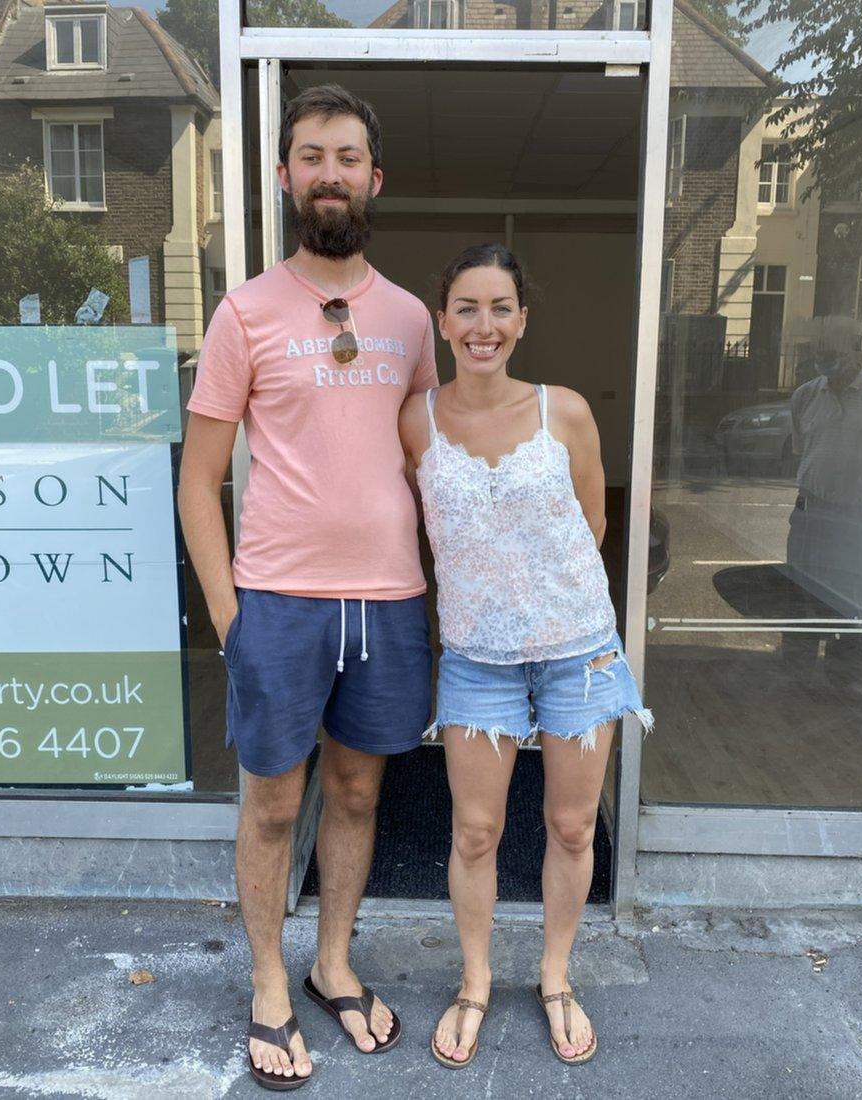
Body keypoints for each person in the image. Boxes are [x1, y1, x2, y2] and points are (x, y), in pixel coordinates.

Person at [178, 84, 437, 1090]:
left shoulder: (413, 320)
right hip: (276, 603)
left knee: (360, 788)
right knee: (274, 806)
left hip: (388, 601)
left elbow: (429, 469)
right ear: (284, 176)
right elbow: (199, 480)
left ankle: (330, 960)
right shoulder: (243, 311)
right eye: (310, 155)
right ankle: (265, 982)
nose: (329, 173)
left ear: (375, 178)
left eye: (347, 156)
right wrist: (231, 615)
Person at [398, 244, 652, 1069]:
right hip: (476, 657)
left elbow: (593, 525)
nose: (483, 325)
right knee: (475, 832)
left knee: (573, 825)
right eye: (466, 308)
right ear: (442, 321)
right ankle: (475, 981)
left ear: (522, 320)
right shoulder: (417, 420)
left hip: (579, 652)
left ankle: (553, 976)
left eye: (499, 307)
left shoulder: (564, 411)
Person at [784, 316, 862, 687]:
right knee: (800, 595)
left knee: (852, 598)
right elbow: (804, 450)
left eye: (833, 351)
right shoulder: (805, 395)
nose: (825, 358)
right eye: (820, 351)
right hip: (812, 512)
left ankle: (843, 683)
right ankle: (795, 677)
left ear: (856, 351)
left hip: (861, 516)